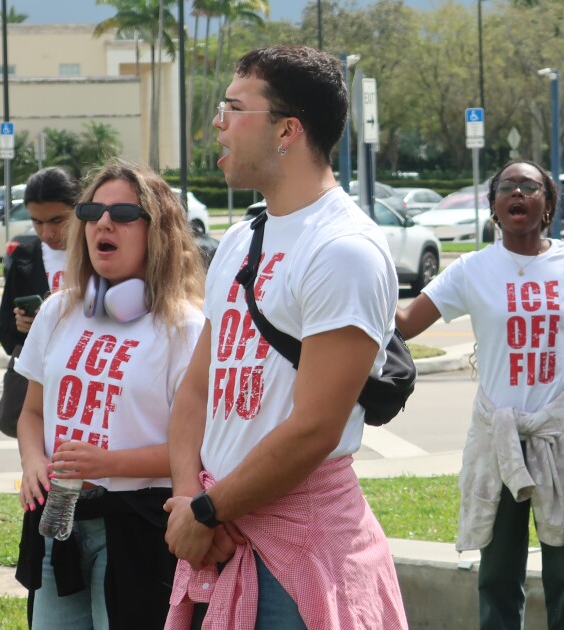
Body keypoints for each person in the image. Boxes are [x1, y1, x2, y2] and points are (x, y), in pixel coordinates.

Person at [161, 45, 407, 629]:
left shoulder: (343, 250)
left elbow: (316, 426)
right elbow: (197, 390)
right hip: (216, 530)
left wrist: (208, 509)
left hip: (301, 550)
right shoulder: (244, 239)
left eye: (233, 107)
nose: (217, 123)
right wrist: (190, 505)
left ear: (287, 130)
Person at [395, 159, 564, 630]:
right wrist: (360, 278)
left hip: (559, 433)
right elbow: (408, 324)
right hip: (499, 437)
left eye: (530, 186)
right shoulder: (473, 269)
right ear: (493, 206)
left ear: (548, 203)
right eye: (507, 187)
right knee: (498, 571)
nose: (518, 193)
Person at [13, 160, 206, 628]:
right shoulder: (59, 310)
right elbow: (32, 414)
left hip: (137, 527)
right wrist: (33, 462)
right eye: (93, 210)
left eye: (122, 212)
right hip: (58, 520)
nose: (102, 221)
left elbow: (196, 454)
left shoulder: (187, 329)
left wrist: (108, 464)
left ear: (158, 229)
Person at [0, 167, 79, 438]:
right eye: (37, 222)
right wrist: (23, 326)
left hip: (84, 381)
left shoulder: (99, 252)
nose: (47, 232)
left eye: (57, 220)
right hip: (41, 389)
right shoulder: (24, 259)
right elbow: (6, 336)